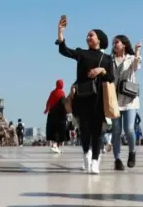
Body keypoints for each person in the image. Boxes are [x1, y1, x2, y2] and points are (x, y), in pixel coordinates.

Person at [56, 15, 115, 174]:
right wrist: (60, 33)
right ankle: (86, 154)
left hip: (98, 99)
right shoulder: (82, 53)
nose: (88, 37)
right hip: (82, 96)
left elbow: (111, 78)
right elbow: (65, 51)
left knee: (96, 131)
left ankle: (95, 160)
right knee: (84, 130)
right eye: (87, 35)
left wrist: (101, 70)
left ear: (99, 39)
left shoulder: (107, 59)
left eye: (91, 35)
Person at [110, 35, 142, 171]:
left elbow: (136, 66)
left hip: (129, 99)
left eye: (117, 42)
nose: (114, 45)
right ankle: (117, 159)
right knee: (116, 131)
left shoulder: (130, 58)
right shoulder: (110, 60)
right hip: (115, 99)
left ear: (123, 45)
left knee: (129, 129)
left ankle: (132, 152)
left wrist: (137, 51)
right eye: (113, 43)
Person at [44, 79, 67, 154]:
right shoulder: (62, 93)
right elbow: (64, 104)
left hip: (52, 114)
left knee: (53, 129)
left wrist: (46, 110)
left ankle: (55, 146)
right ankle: (56, 146)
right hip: (60, 115)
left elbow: (48, 102)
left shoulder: (53, 92)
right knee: (59, 130)